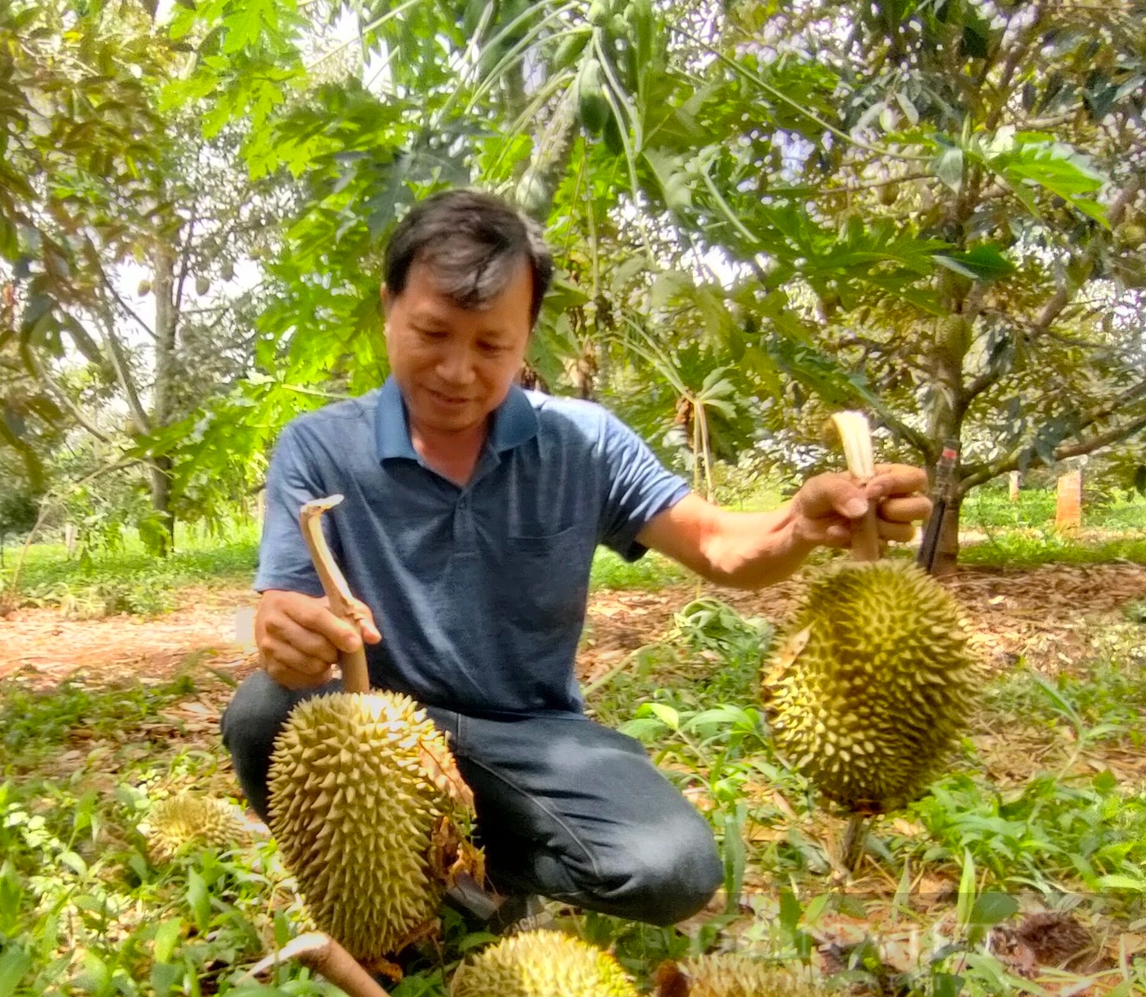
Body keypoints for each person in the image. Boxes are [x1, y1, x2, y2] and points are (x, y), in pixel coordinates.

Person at [220, 189, 930, 928]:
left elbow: (718, 546)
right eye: (433, 332)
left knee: (673, 869)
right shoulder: (319, 445)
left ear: (528, 334)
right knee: (263, 711)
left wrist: (801, 523)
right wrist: (283, 632)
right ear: (388, 307)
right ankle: (400, 883)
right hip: (385, 734)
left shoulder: (584, 442)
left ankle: (477, 876)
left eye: (491, 345)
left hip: (533, 739)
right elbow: (283, 606)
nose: (457, 370)